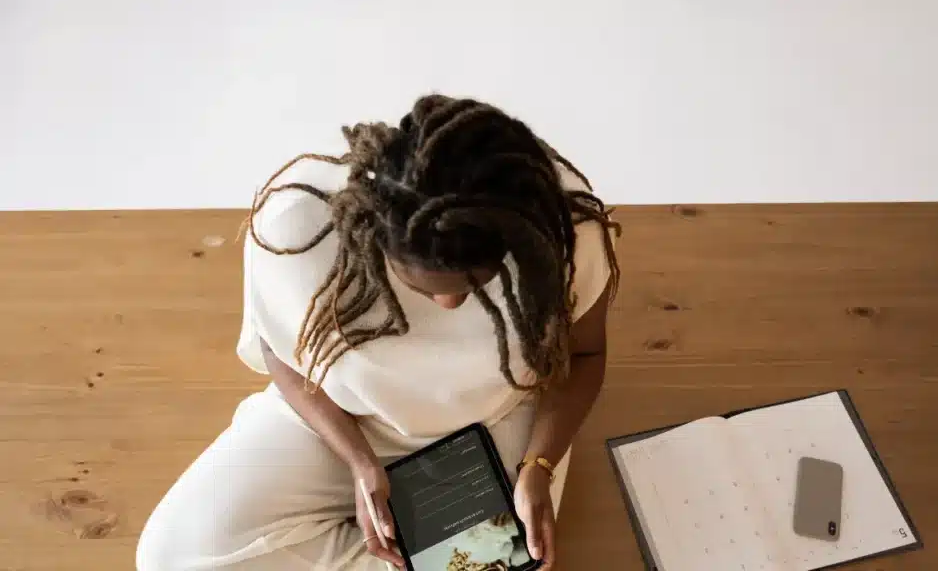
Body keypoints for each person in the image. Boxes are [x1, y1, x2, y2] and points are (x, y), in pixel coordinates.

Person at [136, 94, 620, 570]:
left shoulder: (561, 230)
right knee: (170, 555)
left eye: (474, 283)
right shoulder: (296, 224)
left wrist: (539, 466)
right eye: (425, 288)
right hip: (345, 421)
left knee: (509, 557)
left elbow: (585, 356)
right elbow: (278, 349)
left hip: (493, 426)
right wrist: (359, 462)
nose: (450, 305)